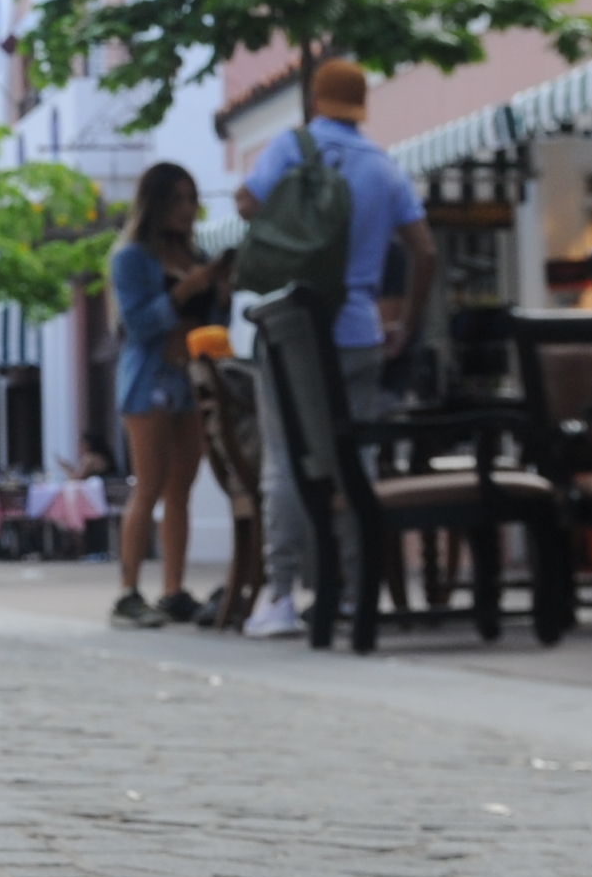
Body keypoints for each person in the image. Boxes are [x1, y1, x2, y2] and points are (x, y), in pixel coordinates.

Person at [236, 58, 434, 639]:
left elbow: (247, 203)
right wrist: (406, 323)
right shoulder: (384, 166)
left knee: (287, 457)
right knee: (358, 462)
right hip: (360, 328)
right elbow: (425, 253)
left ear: (314, 100)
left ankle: (279, 595)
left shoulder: (292, 146)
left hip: (296, 326)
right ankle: (352, 588)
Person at [107, 160, 233, 627]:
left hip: (192, 379)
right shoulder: (132, 258)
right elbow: (138, 325)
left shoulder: (196, 254)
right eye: (176, 199)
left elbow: (216, 324)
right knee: (150, 483)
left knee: (182, 486)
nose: (186, 209)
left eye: (191, 198)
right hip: (151, 380)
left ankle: (173, 587)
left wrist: (218, 290)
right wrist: (183, 294)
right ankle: (128, 588)